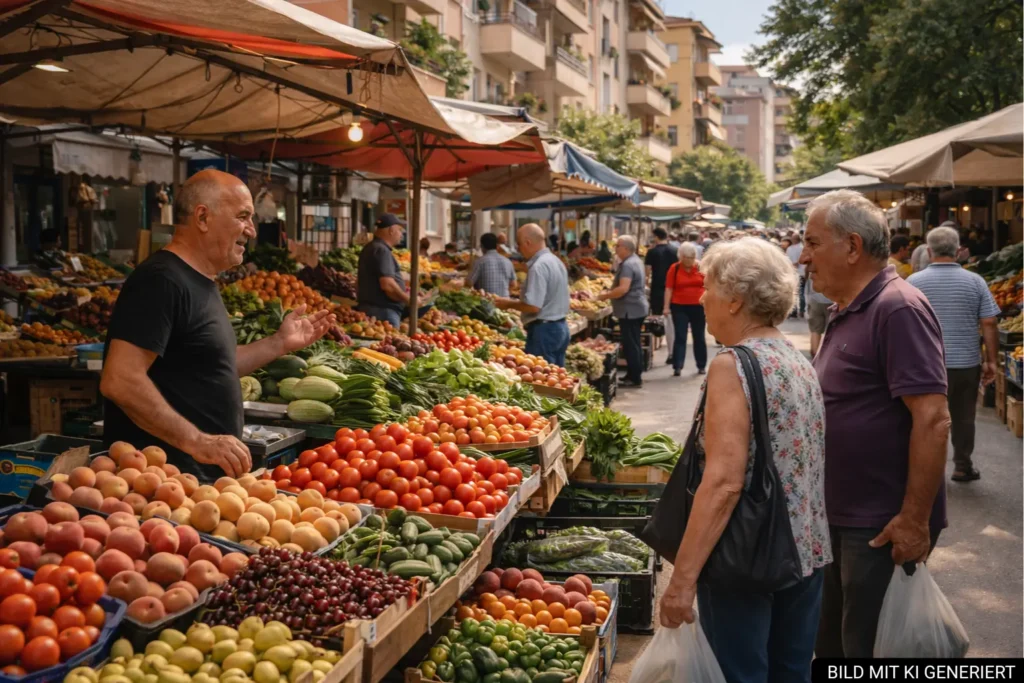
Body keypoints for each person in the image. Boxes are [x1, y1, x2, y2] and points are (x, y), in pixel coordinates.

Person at [660, 236, 830, 683]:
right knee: (791, 672)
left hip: (747, 558)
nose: (701, 296)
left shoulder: (731, 365)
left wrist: (682, 580)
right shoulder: (797, 360)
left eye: (709, 287)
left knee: (740, 674)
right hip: (804, 553)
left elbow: (723, 482)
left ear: (735, 301)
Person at [100, 170, 335, 481]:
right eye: (243, 216)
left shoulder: (201, 282)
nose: (252, 230)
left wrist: (279, 343)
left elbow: (214, 366)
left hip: (197, 486)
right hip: (161, 486)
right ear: (202, 218)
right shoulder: (161, 280)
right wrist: (198, 441)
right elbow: (120, 380)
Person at [798, 190, 950, 659]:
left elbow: (933, 418)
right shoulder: (848, 308)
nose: (803, 256)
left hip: (879, 525)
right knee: (837, 647)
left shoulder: (897, 307)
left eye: (812, 243)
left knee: (865, 649)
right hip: (841, 519)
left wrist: (914, 519)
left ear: (852, 247)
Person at [908, 226, 1000, 482]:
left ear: (928, 251)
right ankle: (962, 465)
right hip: (966, 363)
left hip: (926, 365)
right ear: (959, 251)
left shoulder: (913, 283)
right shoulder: (976, 281)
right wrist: (991, 361)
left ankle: (929, 471)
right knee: (963, 417)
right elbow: (989, 323)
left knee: (927, 418)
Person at [495, 224, 571, 365]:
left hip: (544, 331)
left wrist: (507, 304)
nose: (518, 249)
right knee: (555, 379)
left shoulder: (538, 266)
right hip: (561, 327)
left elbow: (533, 306)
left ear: (527, 242)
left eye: (519, 244)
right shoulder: (556, 261)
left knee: (541, 381)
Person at [598, 236, 649, 387]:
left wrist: (604, 295)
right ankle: (633, 374)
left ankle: (634, 377)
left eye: (618, 246)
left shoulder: (628, 265)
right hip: (635, 307)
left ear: (626, 248)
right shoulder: (636, 261)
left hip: (630, 309)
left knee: (631, 343)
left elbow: (623, 289)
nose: (615, 249)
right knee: (633, 342)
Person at [356, 213, 410, 327]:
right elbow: (387, 285)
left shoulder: (370, 247)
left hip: (373, 309)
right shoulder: (382, 251)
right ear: (391, 230)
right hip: (384, 312)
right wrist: (409, 300)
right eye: (399, 230)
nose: (401, 235)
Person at [663, 243, 706, 376]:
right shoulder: (674, 268)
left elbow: (708, 285)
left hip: (698, 306)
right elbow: (669, 288)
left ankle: (701, 365)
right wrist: (666, 307)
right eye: (687, 257)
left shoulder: (701, 267)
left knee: (699, 336)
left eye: (692, 257)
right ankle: (677, 366)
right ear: (681, 257)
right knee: (680, 336)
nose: (690, 260)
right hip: (679, 306)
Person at [644, 228, 678, 364]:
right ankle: (671, 350)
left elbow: (647, 274)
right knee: (670, 321)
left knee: (656, 319)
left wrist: (647, 283)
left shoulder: (652, 252)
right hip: (673, 289)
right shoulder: (675, 251)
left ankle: (655, 346)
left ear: (656, 237)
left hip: (657, 289)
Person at [467, 233, 515, 298]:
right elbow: (513, 284)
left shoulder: (479, 262)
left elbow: (469, 283)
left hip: (486, 302)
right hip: (505, 302)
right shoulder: (508, 261)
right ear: (497, 246)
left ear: (482, 246)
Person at [805, 274, 832, 358]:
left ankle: (815, 353)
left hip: (814, 301)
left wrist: (807, 303)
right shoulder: (835, 267)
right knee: (831, 330)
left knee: (815, 329)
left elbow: (807, 289)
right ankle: (828, 355)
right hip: (831, 301)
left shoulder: (814, 269)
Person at [786, 234, 806, 318]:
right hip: (799, 273)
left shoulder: (795, 248)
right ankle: (799, 311)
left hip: (796, 272)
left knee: (795, 292)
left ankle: (795, 311)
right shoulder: (800, 248)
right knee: (800, 293)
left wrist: (794, 264)